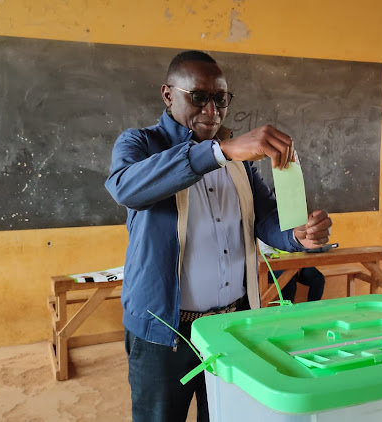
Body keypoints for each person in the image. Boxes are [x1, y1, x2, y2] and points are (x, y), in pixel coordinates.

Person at [104, 50, 332, 422]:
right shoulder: (140, 144)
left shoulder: (237, 160)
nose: (211, 110)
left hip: (232, 325)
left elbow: (263, 218)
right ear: (168, 95)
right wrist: (218, 151)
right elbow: (126, 189)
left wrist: (297, 235)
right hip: (165, 332)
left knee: (229, 414)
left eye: (220, 99)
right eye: (199, 97)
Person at [258, 239, 326, 302]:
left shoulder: (296, 228)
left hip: (299, 262)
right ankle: (286, 311)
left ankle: (312, 310)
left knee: (318, 278)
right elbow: (266, 252)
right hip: (276, 264)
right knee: (288, 280)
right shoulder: (266, 228)